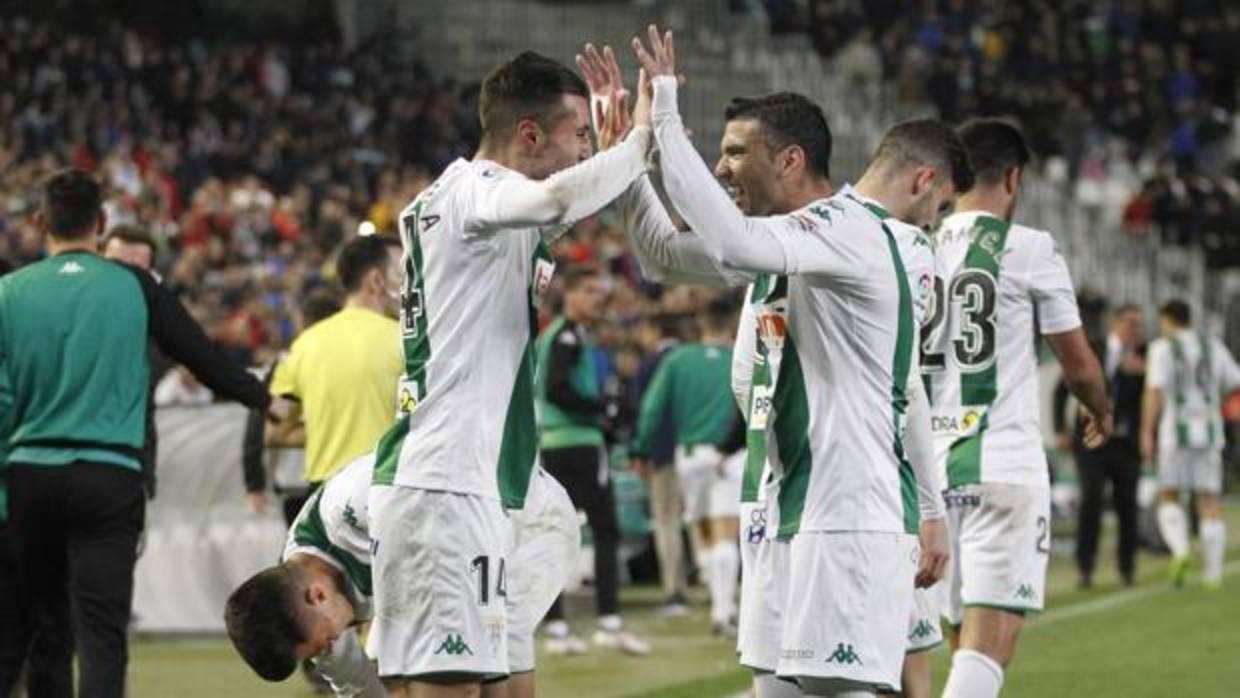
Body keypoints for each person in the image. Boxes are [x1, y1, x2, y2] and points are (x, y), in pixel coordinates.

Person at [628, 26, 958, 696]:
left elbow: (728, 240)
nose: (722, 168)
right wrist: (628, 160)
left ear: (789, 161)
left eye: (735, 152)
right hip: (783, 505)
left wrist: (664, 120)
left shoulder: (847, 229)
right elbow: (661, 257)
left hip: (847, 509)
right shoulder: (784, 245)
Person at [366, 48, 654, 697]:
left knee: (509, 686)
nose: (584, 151)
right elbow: (556, 197)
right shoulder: (474, 190)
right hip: (444, 488)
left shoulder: (484, 210)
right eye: (576, 135)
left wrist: (610, 149)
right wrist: (642, 138)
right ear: (528, 135)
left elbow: (565, 204)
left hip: (478, 482)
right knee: (448, 688)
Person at [0, 169, 279, 698]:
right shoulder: (134, 285)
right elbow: (199, 355)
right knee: (102, 634)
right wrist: (263, 398)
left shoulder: (8, 292)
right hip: (109, 474)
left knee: (43, 630)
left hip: (30, 473)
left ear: (39, 222)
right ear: (101, 222)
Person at [925, 120, 1112, 698]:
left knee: (959, 636)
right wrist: (1099, 408)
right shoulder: (1028, 247)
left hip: (926, 471)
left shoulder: (915, 246)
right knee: (988, 648)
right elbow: (1078, 365)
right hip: (1001, 462)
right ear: (1013, 178)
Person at [225, 455, 579, 698]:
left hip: (525, 520)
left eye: (324, 644)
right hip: (444, 552)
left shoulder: (359, 502)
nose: (328, 651)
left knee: (489, 659)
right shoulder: (312, 614)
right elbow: (363, 690)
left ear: (316, 595)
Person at [535, 265, 648, 656]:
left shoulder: (566, 334)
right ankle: (607, 621)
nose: (598, 298)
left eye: (599, 291)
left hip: (558, 443)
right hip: (578, 444)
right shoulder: (566, 335)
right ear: (569, 295)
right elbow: (557, 390)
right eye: (589, 290)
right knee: (604, 529)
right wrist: (602, 409)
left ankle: (558, 626)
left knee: (556, 533)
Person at [267, 234, 404, 517]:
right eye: (401, 274)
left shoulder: (303, 346)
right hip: (383, 495)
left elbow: (274, 433)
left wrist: (326, 428)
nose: (407, 285)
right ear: (376, 281)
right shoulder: (405, 342)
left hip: (323, 498)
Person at [632, 299, 741, 637]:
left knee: (702, 528)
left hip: (690, 457)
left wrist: (641, 447)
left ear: (700, 326)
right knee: (726, 531)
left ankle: (719, 602)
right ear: (731, 325)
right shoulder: (741, 359)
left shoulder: (678, 360)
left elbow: (652, 408)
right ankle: (724, 608)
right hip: (730, 455)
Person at [1141, 299, 1240, 589]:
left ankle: (1181, 550)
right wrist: (1212, 402)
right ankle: (1213, 573)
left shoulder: (1162, 348)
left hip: (1175, 432)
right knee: (1209, 500)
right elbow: (1235, 383)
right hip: (1209, 432)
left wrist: (1147, 431)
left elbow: (1155, 391)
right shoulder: (1213, 346)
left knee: (1169, 494)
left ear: (1168, 320)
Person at [1060, 304, 1146, 588]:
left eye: (1139, 325)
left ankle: (1127, 568)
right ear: (1115, 323)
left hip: (1125, 442)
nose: (1135, 330)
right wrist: (1061, 428)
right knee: (1091, 499)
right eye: (1131, 323)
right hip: (1091, 438)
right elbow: (1064, 386)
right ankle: (1085, 567)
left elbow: (1153, 395)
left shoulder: (1145, 356)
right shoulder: (1093, 348)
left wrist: (1142, 373)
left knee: (1127, 504)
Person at [242, 289, 343, 525]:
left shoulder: (288, 364)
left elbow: (258, 423)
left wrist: (254, 483)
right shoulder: (352, 364)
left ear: (302, 323)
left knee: (302, 544)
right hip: (337, 472)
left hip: (296, 478)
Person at [631, 313, 688, 615]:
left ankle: (674, 589)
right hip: (704, 450)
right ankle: (718, 588)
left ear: (655, 329)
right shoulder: (694, 360)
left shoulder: (650, 364)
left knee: (667, 522)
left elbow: (645, 412)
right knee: (708, 521)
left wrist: (640, 452)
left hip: (663, 454)